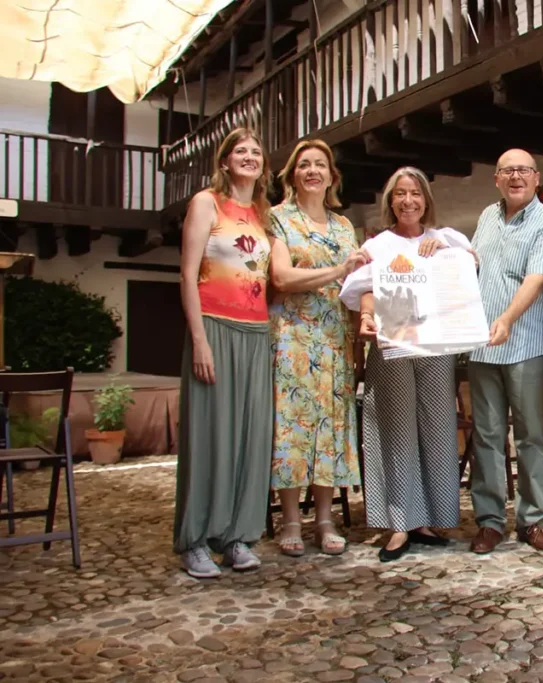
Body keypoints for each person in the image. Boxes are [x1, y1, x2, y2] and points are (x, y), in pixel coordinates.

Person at [339, 167, 474, 562]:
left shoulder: (443, 238)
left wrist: (447, 251)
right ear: (390, 201)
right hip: (393, 346)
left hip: (435, 348)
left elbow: (468, 266)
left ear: (425, 199)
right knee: (396, 430)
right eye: (400, 194)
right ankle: (399, 523)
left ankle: (429, 517)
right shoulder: (379, 244)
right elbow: (364, 288)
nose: (408, 200)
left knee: (436, 426)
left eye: (415, 193)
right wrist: (367, 317)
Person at [174, 127, 274, 578]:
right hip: (214, 329)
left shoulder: (261, 213)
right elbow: (187, 275)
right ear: (225, 159)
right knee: (210, 436)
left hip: (256, 333)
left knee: (250, 439)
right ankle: (195, 540)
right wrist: (199, 340)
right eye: (241, 151)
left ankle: (237, 537)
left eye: (255, 152)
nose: (249, 157)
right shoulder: (205, 203)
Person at [267, 139, 368, 557]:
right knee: (293, 426)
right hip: (294, 336)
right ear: (292, 175)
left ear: (331, 176)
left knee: (330, 428)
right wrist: (339, 270)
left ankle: (325, 520)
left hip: (336, 340)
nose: (313, 171)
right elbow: (282, 279)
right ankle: (291, 519)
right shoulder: (277, 219)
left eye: (320, 165)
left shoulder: (344, 226)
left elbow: (359, 281)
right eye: (304, 165)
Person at [467, 149, 543, 555]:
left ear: (536, 178)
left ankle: (531, 521)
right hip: (481, 346)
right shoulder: (487, 217)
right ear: (496, 179)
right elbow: (470, 266)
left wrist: (507, 318)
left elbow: (537, 278)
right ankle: (490, 522)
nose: (515, 177)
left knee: (528, 436)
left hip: (525, 345)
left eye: (523, 170)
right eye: (507, 170)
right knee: (486, 436)